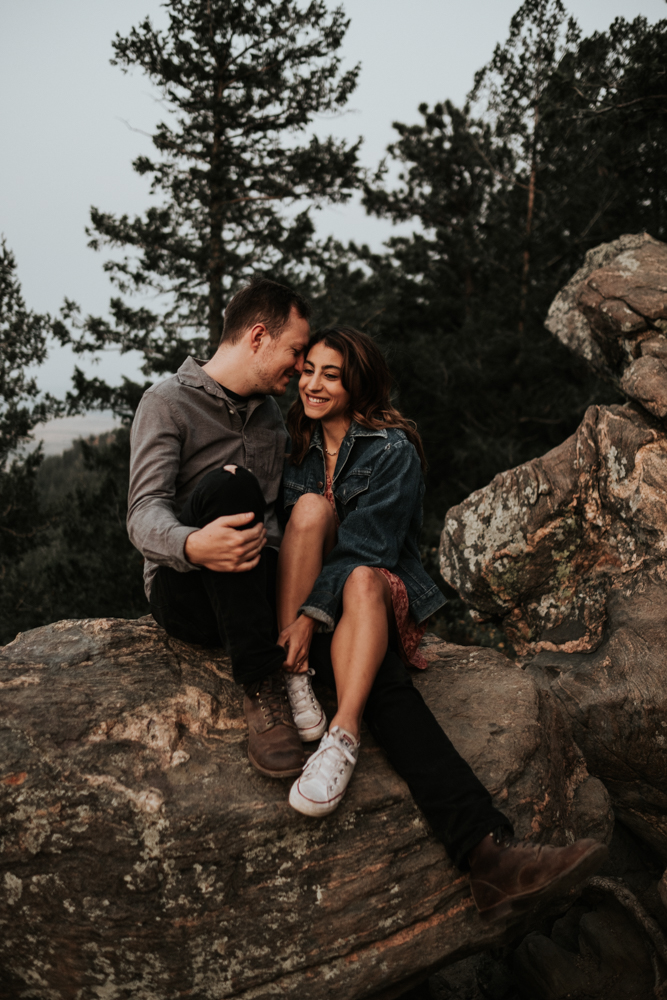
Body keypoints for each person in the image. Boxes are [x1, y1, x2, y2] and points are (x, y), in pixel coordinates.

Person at [128, 290, 605, 926]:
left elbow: (305, 525)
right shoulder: (167, 402)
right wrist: (193, 542)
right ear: (260, 336)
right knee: (231, 484)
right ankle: (261, 687)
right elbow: (142, 514)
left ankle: (488, 856)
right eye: (300, 354)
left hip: (268, 592)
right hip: (189, 586)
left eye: (320, 367)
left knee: (384, 684)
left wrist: (311, 608)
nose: (302, 372)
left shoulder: (276, 420)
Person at [273, 325, 607, 922]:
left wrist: (309, 617)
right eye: (309, 370)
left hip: (362, 605)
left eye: (332, 374)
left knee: (361, 583)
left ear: (358, 385)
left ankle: (343, 734)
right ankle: (491, 862)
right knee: (310, 513)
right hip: (302, 623)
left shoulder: (391, 449)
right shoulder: (288, 449)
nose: (315, 384)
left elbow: (367, 549)